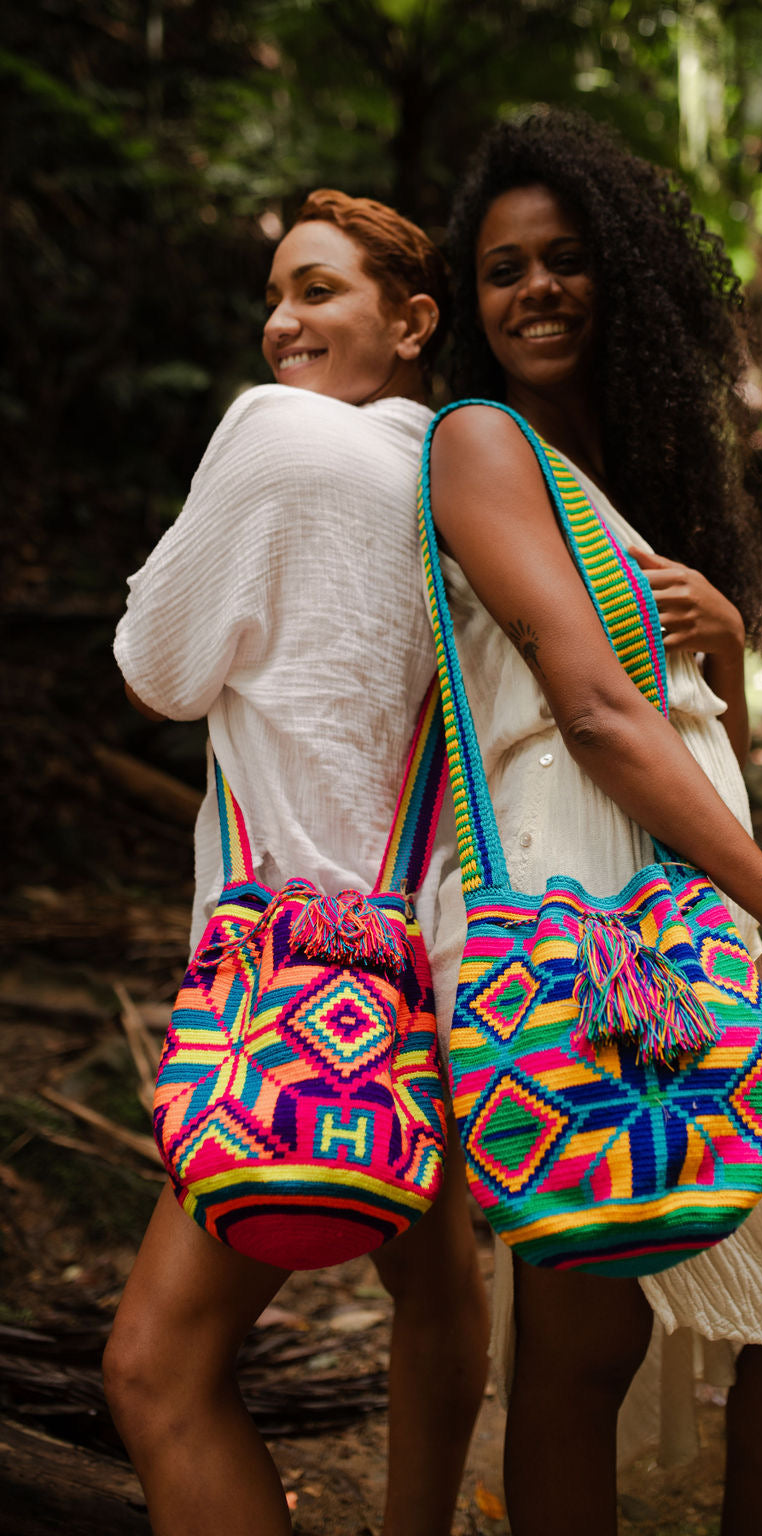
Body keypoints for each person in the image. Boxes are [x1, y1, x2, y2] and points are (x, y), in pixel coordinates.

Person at [424, 110, 762, 1536]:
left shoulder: (632, 475)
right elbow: (589, 709)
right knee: (591, 1323)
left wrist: (730, 640)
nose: (537, 289)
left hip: (672, 886)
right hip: (570, 883)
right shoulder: (480, 441)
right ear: (470, 300)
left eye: (566, 257)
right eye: (504, 269)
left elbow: (693, 732)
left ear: (624, 272)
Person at [104, 189, 489, 1536]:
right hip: (444, 973)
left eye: (317, 290)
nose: (280, 322)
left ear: (414, 319)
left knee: (153, 1369)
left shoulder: (275, 432)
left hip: (296, 987)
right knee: (434, 1288)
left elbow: (157, 669)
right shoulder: (470, 470)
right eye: (273, 296)